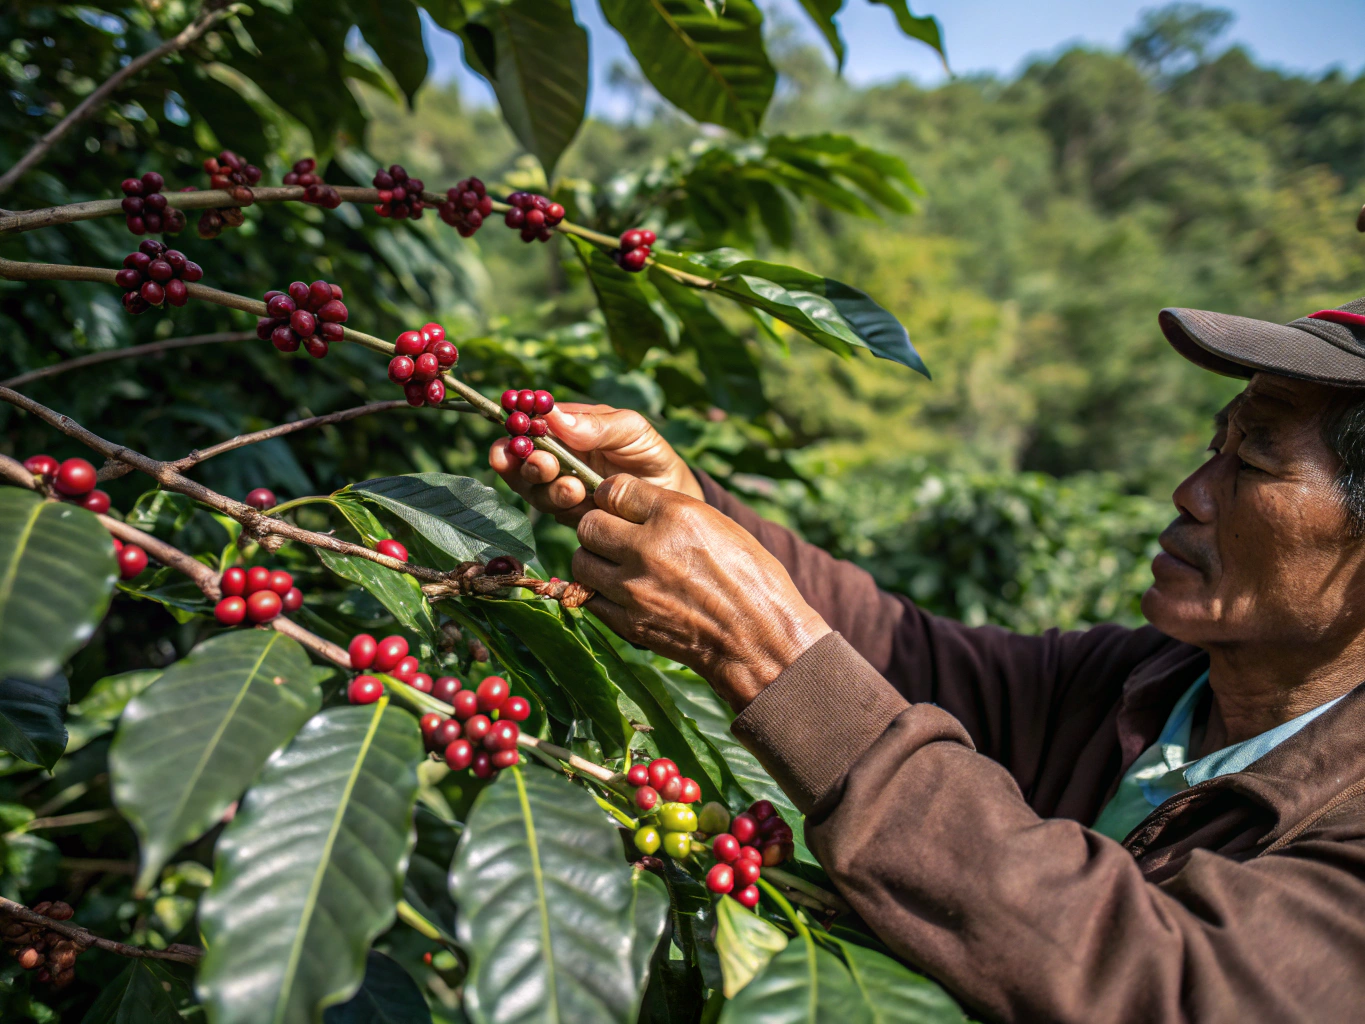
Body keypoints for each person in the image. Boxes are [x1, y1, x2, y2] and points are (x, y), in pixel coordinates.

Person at [490, 299, 1365, 1023]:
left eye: (1253, 457)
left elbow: (1161, 983)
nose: (1190, 492)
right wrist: (698, 514)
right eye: (1216, 443)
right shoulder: (1150, 682)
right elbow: (909, 653)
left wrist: (768, 658)